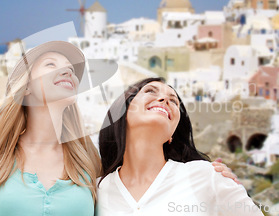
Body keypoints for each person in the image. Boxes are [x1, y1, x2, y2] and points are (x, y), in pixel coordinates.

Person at [0, 41, 238, 216]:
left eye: (71, 69)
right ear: (28, 87)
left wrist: (212, 176)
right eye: (51, 64)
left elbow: (139, 184)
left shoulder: (86, 160)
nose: (67, 71)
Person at [97, 78, 263, 216]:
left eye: (174, 101)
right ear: (123, 112)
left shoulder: (206, 176)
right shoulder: (96, 191)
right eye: (150, 91)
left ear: (172, 133)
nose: (164, 99)